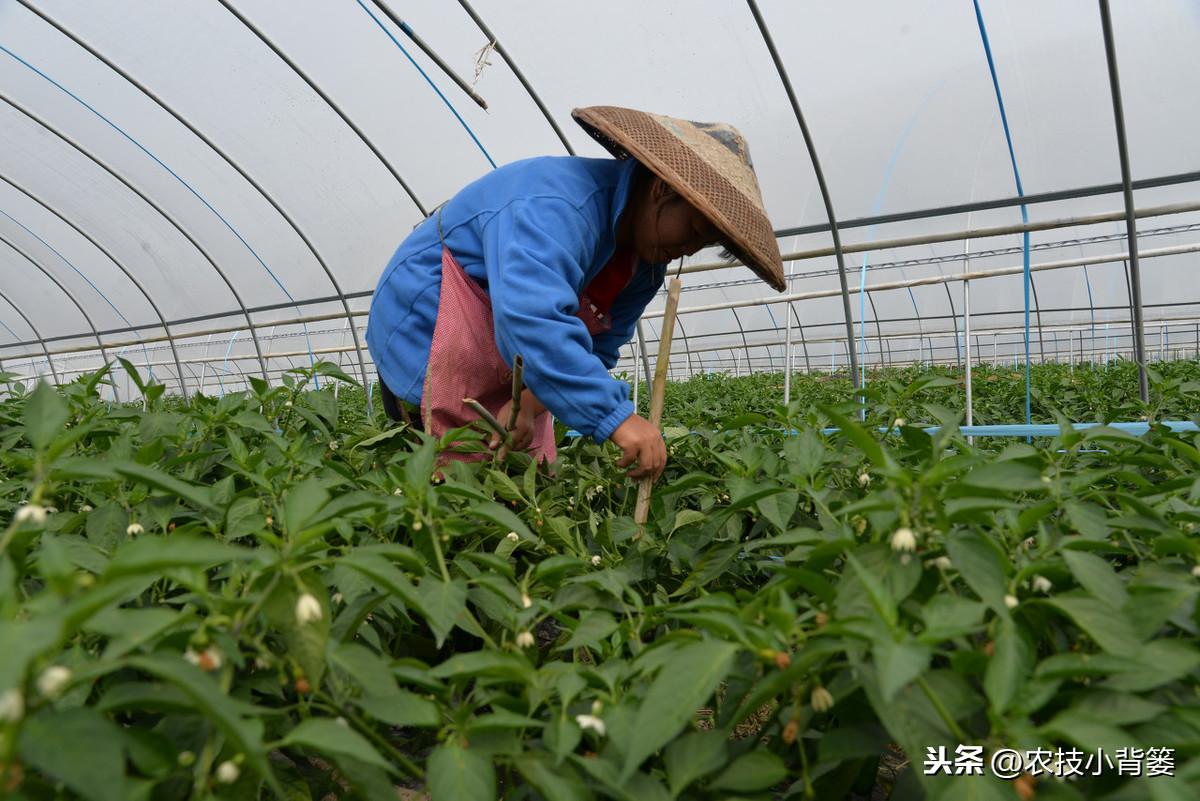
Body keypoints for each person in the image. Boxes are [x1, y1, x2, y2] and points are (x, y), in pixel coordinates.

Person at [366, 105, 784, 480]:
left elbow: (597, 348)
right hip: (427, 329)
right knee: (441, 484)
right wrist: (617, 418)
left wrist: (527, 404)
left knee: (516, 483)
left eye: (703, 243)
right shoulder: (557, 204)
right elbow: (530, 320)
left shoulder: (644, 268)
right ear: (661, 191)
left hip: (501, 353)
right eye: (693, 231)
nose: (688, 249)